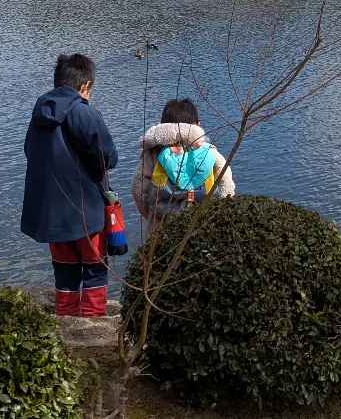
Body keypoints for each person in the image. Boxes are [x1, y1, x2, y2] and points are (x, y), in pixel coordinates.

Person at [21, 53, 117, 317]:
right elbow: (105, 157)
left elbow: (30, 152)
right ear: (85, 85)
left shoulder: (39, 113)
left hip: (52, 210)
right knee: (95, 269)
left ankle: (66, 323)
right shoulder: (84, 112)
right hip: (86, 208)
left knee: (64, 272)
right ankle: (93, 326)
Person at [131, 98, 234, 238]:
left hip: (161, 228)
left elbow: (138, 187)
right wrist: (218, 212)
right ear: (198, 125)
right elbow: (226, 182)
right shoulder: (207, 151)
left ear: (162, 125)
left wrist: (151, 212)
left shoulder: (154, 152)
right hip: (202, 225)